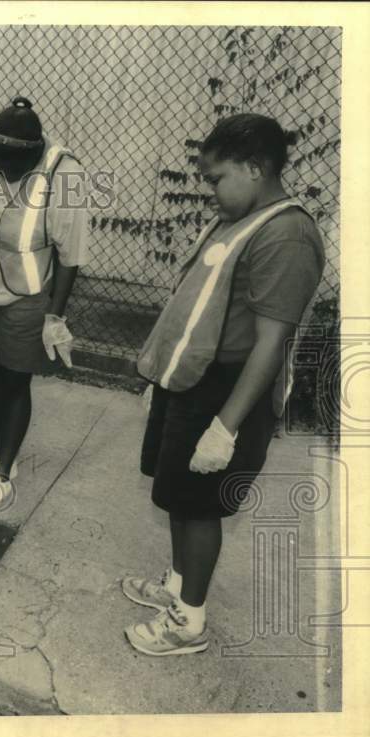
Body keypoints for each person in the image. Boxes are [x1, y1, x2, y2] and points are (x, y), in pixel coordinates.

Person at [125, 114, 324, 656]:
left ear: (255, 168)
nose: (209, 191)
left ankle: (188, 622)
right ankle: (176, 583)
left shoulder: (287, 234)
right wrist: (163, 374)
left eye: (216, 179)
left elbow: (271, 343)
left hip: (227, 393)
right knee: (176, 495)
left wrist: (225, 428)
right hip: (191, 381)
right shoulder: (239, 216)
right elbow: (197, 303)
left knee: (200, 506)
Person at [0, 96, 89, 514]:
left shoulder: (65, 175)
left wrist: (55, 314)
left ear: (34, 154)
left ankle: (3, 472)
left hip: (29, 293)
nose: (4, 171)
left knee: (15, 379)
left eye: (13, 167)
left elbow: (71, 255)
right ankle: (3, 456)